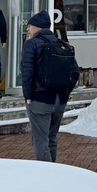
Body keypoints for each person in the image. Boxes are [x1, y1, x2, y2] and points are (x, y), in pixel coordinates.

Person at [21, 10, 76, 162]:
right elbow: (75, 72)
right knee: (51, 138)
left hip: (40, 99)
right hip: (59, 100)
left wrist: (28, 96)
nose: (28, 29)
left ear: (37, 27)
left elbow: (27, 72)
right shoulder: (61, 44)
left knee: (40, 142)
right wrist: (65, 93)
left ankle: (47, 178)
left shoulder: (32, 44)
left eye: (30, 26)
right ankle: (54, 171)